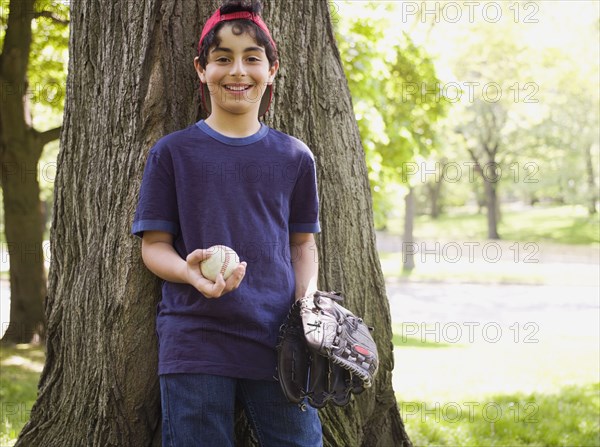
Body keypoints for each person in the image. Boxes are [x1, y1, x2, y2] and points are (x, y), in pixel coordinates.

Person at [131, 1, 323, 445]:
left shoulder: (295, 156)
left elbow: (302, 245)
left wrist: (308, 306)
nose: (238, 71)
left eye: (252, 58)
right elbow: (153, 245)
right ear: (202, 69)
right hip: (195, 340)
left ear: (272, 70)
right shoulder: (173, 153)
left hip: (279, 341)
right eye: (223, 58)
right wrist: (188, 272)